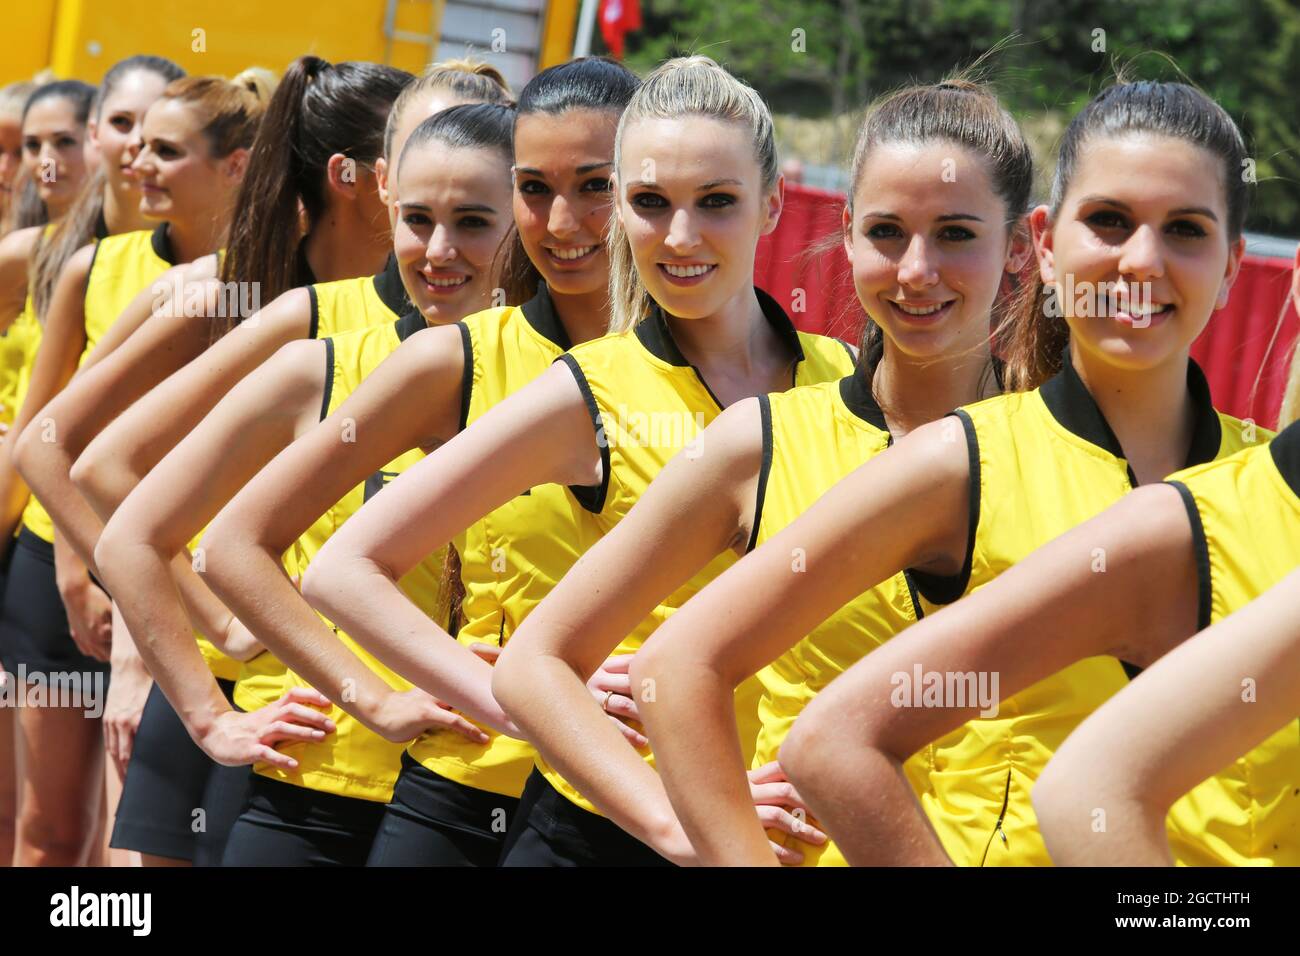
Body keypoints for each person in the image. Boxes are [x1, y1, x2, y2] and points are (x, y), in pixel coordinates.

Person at [686, 78, 1269, 866]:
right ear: (1049, 244)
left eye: (1186, 230)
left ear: (1234, 265)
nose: (1141, 259)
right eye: (1108, 221)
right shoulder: (961, 459)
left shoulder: (1267, 481)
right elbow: (695, 669)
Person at [306, 55, 854, 866]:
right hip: (600, 832)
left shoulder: (841, 377)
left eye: (717, 203)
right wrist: (512, 705)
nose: (680, 236)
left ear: (773, 203)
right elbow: (343, 569)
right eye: (649, 203)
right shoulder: (586, 390)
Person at [201, 57, 643, 867]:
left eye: (597, 186)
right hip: (459, 788)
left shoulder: (738, 374)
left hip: (639, 804)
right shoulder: (455, 360)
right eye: (536, 189)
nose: (564, 219)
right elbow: (234, 543)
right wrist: (372, 695)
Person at [610, 76, 1034, 866]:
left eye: (955, 234)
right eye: (886, 232)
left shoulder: (1074, 454)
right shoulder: (763, 442)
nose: (915, 271)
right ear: (844, 234)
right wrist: (687, 829)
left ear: (1020, 245)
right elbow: (622, 666)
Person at [96, 103, 520, 867]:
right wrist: (213, 702)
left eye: (475, 222)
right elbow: (132, 530)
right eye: (418, 219)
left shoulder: (562, 389)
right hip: (317, 787)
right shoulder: (322, 364)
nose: (439, 250)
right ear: (386, 198)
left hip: (488, 803)